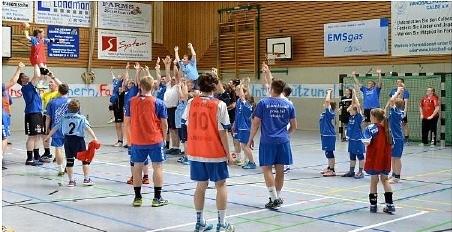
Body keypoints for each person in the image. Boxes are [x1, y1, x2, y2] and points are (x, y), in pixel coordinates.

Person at [182, 72, 235, 231]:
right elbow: (223, 132)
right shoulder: (219, 104)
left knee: (200, 186)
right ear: (214, 86)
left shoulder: (191, 102)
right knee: (221, 185)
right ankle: (221, 224)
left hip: (196, 151)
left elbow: (186, 123)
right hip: (214, 152)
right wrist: (228, 153)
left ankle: (199, 222)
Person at [248, 79, 297, 210]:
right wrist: (285, 134)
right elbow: (294, 126)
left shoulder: (264, 103)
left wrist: (250, 138)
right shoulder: (289, 105)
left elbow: (256, 123)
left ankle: (274, 198)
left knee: (267, 169)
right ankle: (276, 197)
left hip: (267, 141)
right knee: (280, 170)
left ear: (272, 89)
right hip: (283, 141)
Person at [125, 75, 169, 207]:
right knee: (158, 167)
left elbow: (126, 122)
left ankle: (137, 198)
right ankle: (157, 198)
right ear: (153, 86)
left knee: (137, 167)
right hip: (155, 139)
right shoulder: (159, 102)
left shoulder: (131, 101)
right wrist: (164, 139)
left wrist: (131, 137)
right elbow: (164, 124)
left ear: (140, 87)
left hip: (137, 140)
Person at [45, 99, 98, 187]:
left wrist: (48, 136)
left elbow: (55, 128)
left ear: (68, 108)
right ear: (79, 108)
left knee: (69, 161)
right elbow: (88, 128)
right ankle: (86, 179)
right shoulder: (81, 118)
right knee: (85, 160)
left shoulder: (64, 118)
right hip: (78, 140)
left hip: (68, 140)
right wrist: (95, 138)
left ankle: (71, 181)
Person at [361, 108, 395, 214]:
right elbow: (392, 145)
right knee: (385, 180)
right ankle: (390, 205)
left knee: (374, 180)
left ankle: (373, 206)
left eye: (371, 116)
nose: (369, 118)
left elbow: (366, 142)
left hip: (374, 158)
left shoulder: (370, 128)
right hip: (385, 158)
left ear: (374, 117)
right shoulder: (387, 129)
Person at [18, 64, 48, 166]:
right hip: (31, 113)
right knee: (32, 137)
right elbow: (37, 76)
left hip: (38, 113)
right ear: (22, 80)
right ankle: (29, 158)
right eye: (25, 76)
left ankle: (36, 156)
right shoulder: (26, 87)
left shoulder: (33, 87)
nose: (27, 76)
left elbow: (42, 79)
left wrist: (44, 69)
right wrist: (36, 63)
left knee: (38, 136)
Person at [2, 62, 25, 169]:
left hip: (6, 116)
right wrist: (18, 69)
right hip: (2, 117)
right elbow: (12, 82)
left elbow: (9, 103)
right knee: (3, 138)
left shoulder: (6, 94)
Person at [45, 83, 71, 176]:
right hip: (69, 128)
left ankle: (60, 169)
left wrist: (47, 128)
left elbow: (48, 117)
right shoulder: (72, 102)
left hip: (56, 128)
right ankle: (69, 166)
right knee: (69, 149)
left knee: (58, 148)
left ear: (58, 91)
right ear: (68, 91)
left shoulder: (52, 102)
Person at [341, 88, 365, 179]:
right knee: (352, 155)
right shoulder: (351, 117)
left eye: (351, 109)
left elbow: (357, 105)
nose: (349, 109)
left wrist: (354, 94)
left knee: (360, 156)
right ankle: (351, 171)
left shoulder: (358, 116)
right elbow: (353, 104)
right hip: (351, 139)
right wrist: (353, 98)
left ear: (355, 110)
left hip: (358, 139)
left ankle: (360, 172)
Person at [233, 77, 256, 169]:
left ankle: (252, 162)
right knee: (243, 145)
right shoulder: (243, 102)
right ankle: (247, 161)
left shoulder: (246, 104)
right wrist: (247, 84)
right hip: (240, 126)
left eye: (237, 90)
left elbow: (243, 95)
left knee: (244, 146)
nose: (236, 92)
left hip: (244, 127)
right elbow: (247, 94)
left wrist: (242, 85)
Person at [40, 75, 63, 162]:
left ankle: (58, 155)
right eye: (49, 82)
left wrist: (53, 77)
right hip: (46, 116)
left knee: (56, 136)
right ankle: (47, 152)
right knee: (45, 134)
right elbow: (38, 94)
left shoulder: (58, 93)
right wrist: (41, 81)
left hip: (55, 117)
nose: (49, 84)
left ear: (56, 85)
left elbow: (61, 85)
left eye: (51, 82)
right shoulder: (46, 94)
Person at [163, 57, 182, 156]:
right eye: (172, 79)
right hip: (167, 109)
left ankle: (177, 147)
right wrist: (167, 64)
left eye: (174, 79)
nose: (173, 79)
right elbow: (167, 74)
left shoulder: (177, 86)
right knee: (170, 129)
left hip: (174, 109)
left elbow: (176, 75)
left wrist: (175, 65)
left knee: (175, 129)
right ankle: (174, 147)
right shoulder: (168, 86)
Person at [388, 85, 406, 184]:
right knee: (393, 157)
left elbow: (392, 100)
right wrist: (401, 92)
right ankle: (394, 174)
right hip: (394, 136)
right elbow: (398, 101)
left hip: (397, 137)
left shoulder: (395, 111)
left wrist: (398, 90)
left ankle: (397, 176)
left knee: (397, 157)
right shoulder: (399, 110)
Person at [385, 78, 410, 146]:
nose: (398, 83)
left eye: (400, 82)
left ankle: (406, 138)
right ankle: (391, 137)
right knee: (392, 124)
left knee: (403, 124)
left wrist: (405, 110)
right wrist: (386, 107)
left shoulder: (405, 91)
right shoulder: (393, 90)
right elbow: (391, 99)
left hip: (399, 109)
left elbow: (404, 101)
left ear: (402, 83)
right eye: (397, 82)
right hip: (396, 110)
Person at [319, 89, 337, 177]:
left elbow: (327, 101)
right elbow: (328, 102)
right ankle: (329, 167)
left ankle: (332, 170)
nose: (324, 104)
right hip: (324, 134)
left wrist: (329, 92)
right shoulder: (325, 113)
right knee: (327, 152)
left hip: (329, 134)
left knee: (329, 152)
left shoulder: (329, 112)